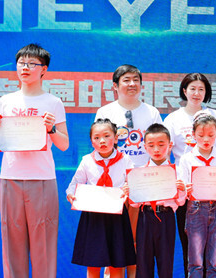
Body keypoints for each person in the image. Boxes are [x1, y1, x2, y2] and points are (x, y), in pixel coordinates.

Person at [0, 43, 69, 278]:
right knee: (11, 239)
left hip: (42, 178)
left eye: (32, 64)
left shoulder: (53, 102)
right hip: (10, 177)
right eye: (21, 63)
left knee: (43, 241)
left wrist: (51, 129)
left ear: (43, 70)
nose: (25, 67)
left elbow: (64, 144)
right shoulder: (6, 101)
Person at [96, 64, 162, 277]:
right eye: (126, 80)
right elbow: (99, 147)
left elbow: (160, 148)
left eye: (136, 80)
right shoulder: (105, 112)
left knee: (137, 238)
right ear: (115, 86)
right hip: (114, 187)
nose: (132, 84)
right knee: (113, 238)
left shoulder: (151, 112)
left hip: (142, 186)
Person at [163, 73, 216, 275]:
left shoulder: (215, 115)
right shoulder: (173, 119)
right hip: (187, 192)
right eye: (192, 88)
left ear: (206, 92)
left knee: (213, 251)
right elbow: (165, 153)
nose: (196, 93)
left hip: (214, 192)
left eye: (201, 89)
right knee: (190, 248)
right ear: (184, 91)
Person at [67, 119, 136, 278]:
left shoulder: (125, 160)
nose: (102, 141)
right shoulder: (87, 161)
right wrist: (71, 194)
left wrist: (129, 188)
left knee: (117, 262)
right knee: (93, 262)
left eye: (106, 136)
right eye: (96, 138)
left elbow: (133, 183)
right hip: (93, 217)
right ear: (91, 141)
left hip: (117, 216)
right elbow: (74, 183)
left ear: (116, 138)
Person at [178, 112, 216, 278]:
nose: (206, 139)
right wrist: (184, 188)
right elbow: (182, 187)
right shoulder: (186, 159)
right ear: (193, 135)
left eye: (211, 135)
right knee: (196, 262)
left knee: (214, 261)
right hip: (195, 208)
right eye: (201, 135)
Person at [131, 123, 187, 278]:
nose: (156, 149)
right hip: (145, 217)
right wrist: (129, 192)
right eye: (151, 145)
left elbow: (181, 202)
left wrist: (182, 190)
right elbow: (134, 204)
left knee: (166, 262)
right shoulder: (138, 172)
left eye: (161, 145)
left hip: (166, 217)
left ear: (170, 145)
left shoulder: (176, 171)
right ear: (145, 147)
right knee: (143, 262)